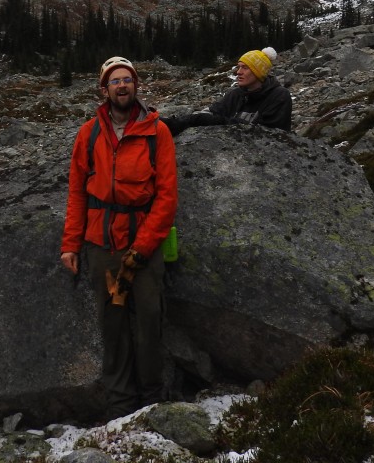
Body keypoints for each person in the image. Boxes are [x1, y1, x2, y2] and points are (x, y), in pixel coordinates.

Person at [60, 55, 178, 418]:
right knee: (112, 327)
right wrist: (70, 244)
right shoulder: (88, 133)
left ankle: (152, 399)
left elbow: (167, 197)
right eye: (115, 81)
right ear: (104, 88)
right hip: (101, 246)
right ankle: (120, 405)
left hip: (144, 245)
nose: (122, 85)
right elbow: (78, 192)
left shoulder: (158, 132)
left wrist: (142, 248)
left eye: (127, 79)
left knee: (148, 323)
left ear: (136, 86)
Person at [163, 47, 292, 135]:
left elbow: (268, 134)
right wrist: (179, 122)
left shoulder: (279, 96)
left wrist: (219, 122)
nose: (238, 72)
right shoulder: (236, 94)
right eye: (239, 67)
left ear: (259, 73)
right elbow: (210, 113)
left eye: (245, 68)